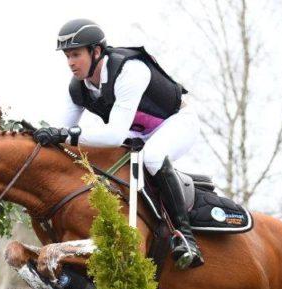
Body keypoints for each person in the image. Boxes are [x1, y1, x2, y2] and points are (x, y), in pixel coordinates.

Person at [34, 19, 203, 270]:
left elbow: (112, 135)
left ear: (97, 51)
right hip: (137, 134)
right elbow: (63, 133)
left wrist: (62, 134)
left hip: (177, 123)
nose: (70, 63)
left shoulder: (130, 69)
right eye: (67, 56)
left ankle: (186, 238)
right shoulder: (78, 88)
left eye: (76, 55)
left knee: (153, 157)